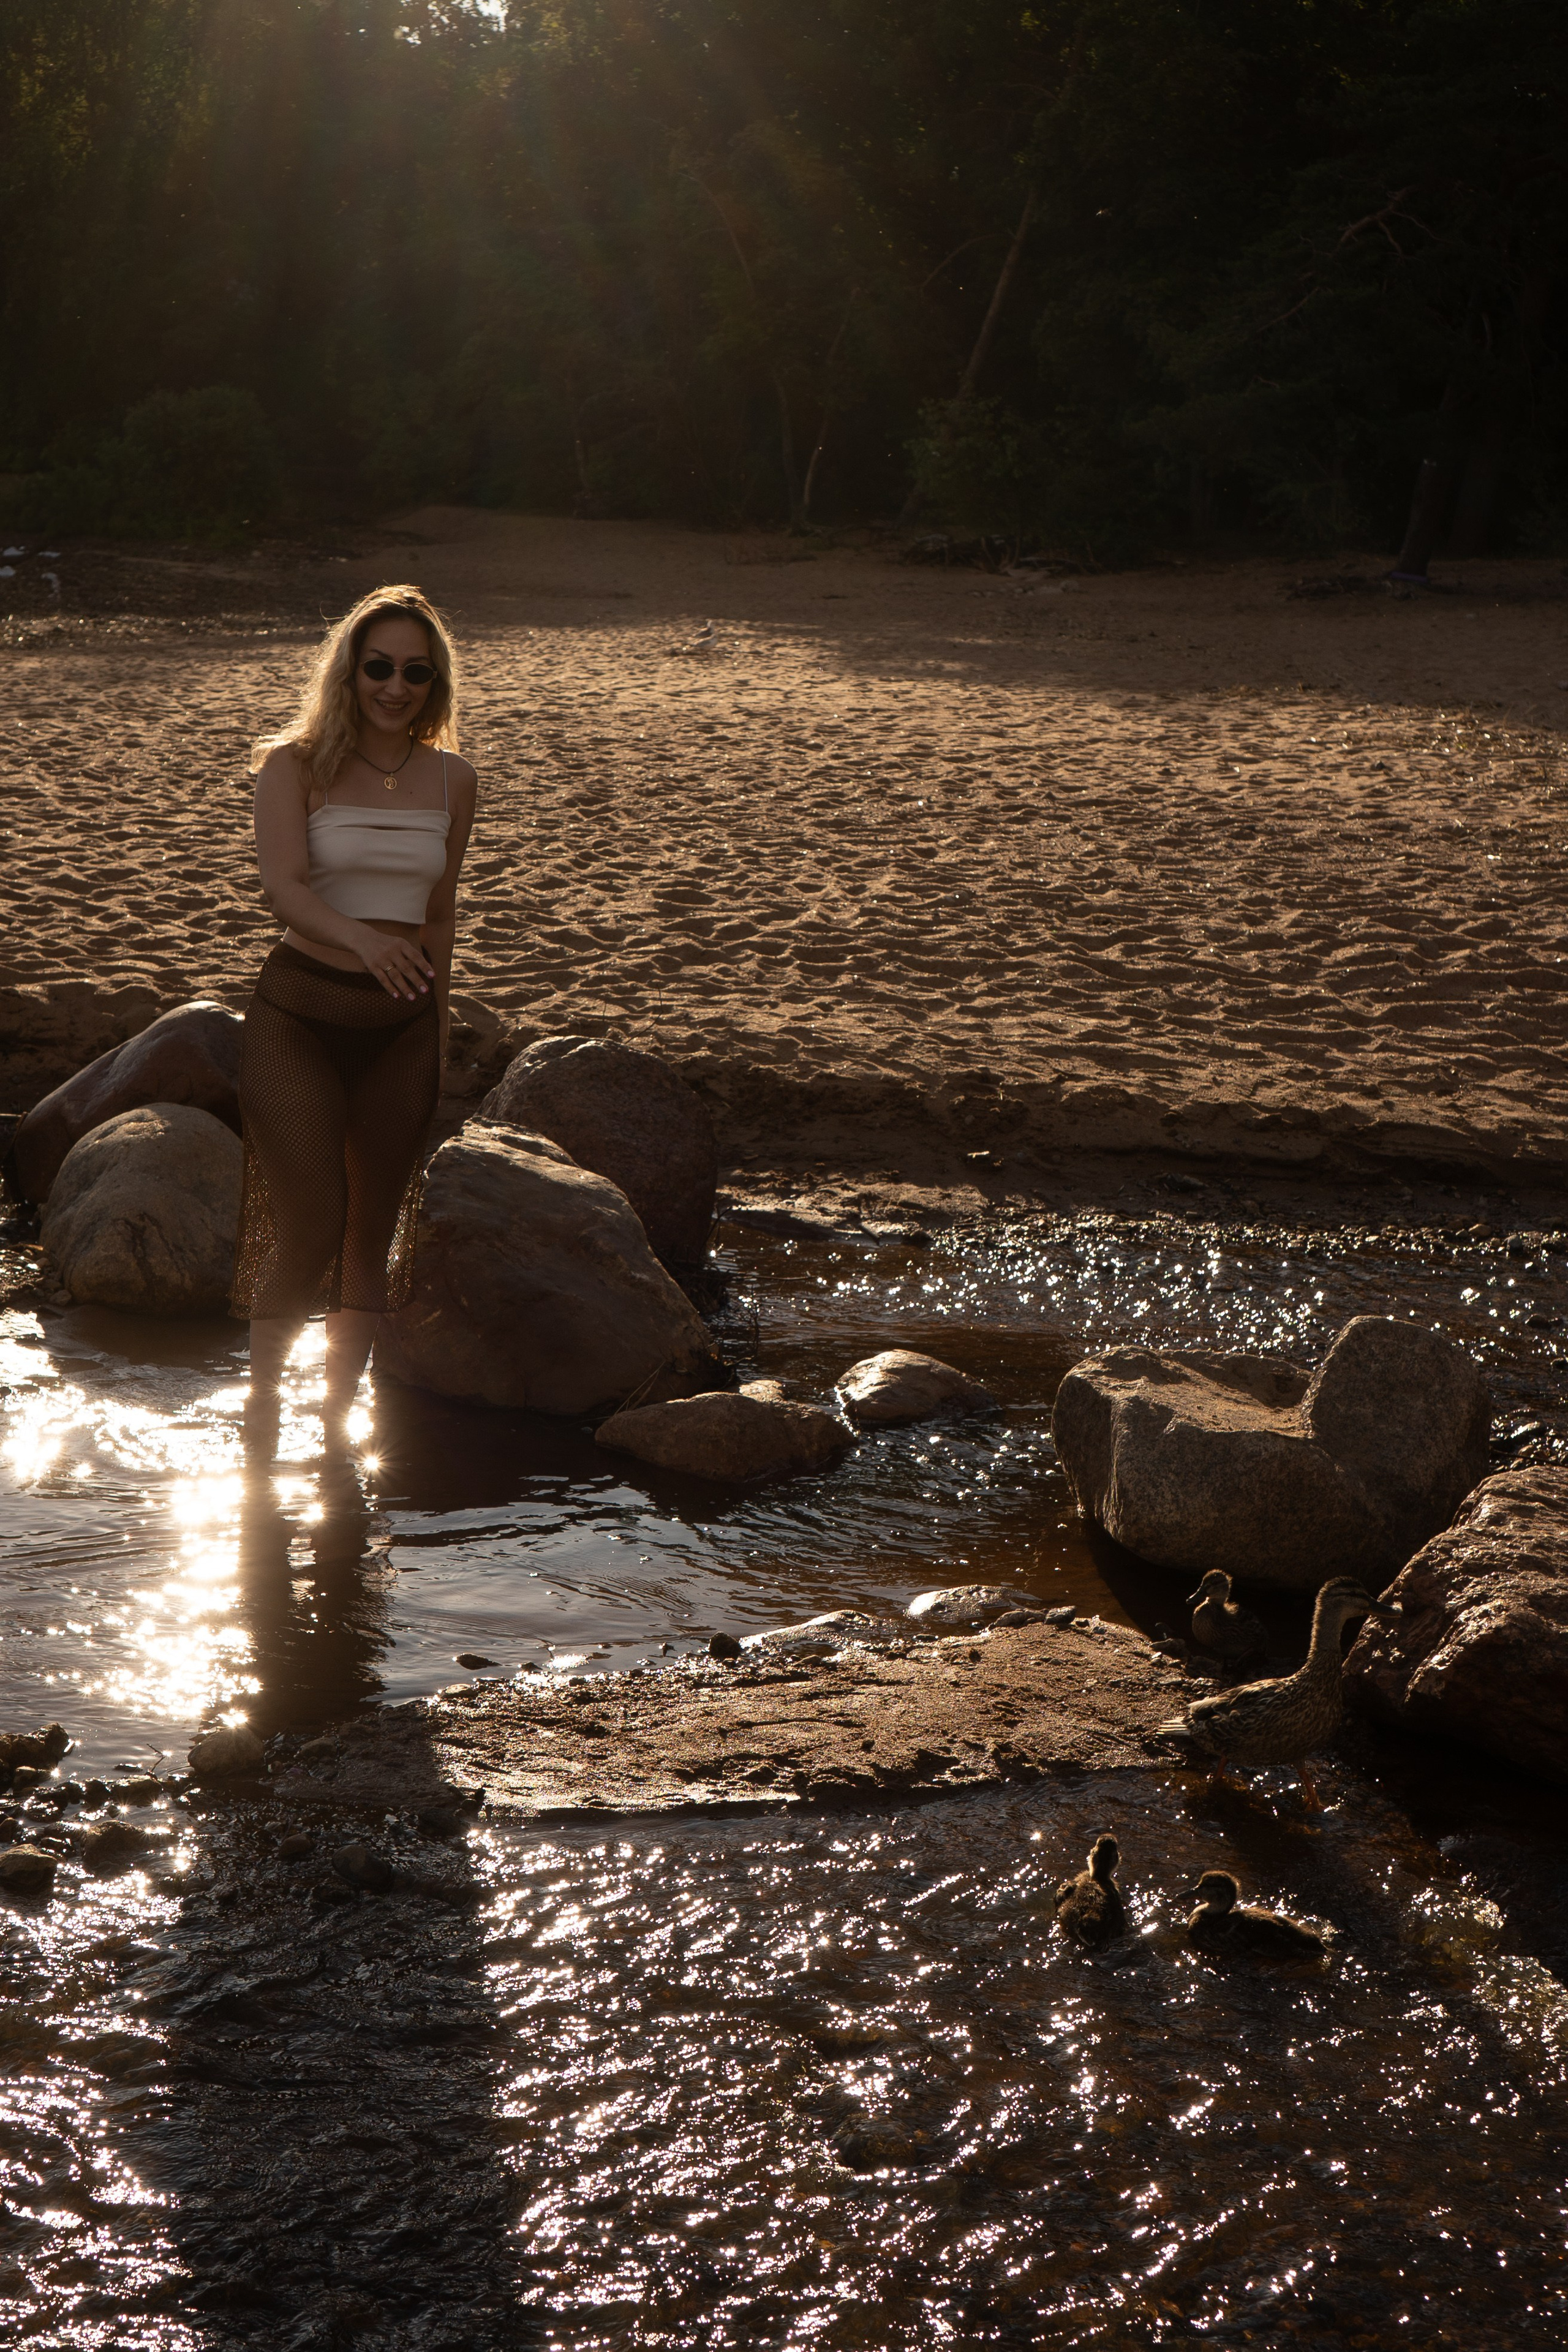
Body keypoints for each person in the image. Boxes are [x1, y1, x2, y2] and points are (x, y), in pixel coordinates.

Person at [235, 584, 477, 1457]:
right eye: (379, 667)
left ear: (435, 682)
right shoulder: (291, 764)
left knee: (371, 1232)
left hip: (400, 1030)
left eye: (416, 672)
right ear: (350, 671)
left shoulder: (454, 779)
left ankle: (338, 1432)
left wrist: (436, 1030)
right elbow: (284, 890)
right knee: (311, 1221)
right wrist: (366, 941)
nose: (395, 687)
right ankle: (262, 1418)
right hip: (298, 1016)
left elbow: (440, 915)